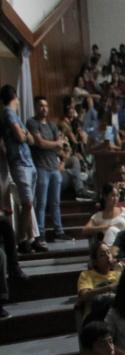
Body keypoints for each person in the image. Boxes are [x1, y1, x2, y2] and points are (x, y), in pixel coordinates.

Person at [2, 85, 45, 253]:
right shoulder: (8, 112)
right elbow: (22, 137)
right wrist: (25, 135)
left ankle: (30, 238)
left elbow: (31, 140)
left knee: (29, 204)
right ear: (15, 97)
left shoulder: (15, 115)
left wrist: (25, 135)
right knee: (27, 203)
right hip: (19, 162)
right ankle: (21, 240)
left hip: (27, 162)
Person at [28, 96, 69, 242]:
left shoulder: (52, 125)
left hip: (54, 167)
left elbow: (61, 145)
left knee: (55, 202)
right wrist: (55, 143)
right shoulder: (32, 122)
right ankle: (40, 233)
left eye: (46, 106)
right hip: (41, 167)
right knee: (41, 202)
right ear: (36, 107)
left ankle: (59, 231)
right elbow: (40, 143)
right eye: (41, 105)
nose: (44, 108)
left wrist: (60, 152)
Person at [77, 241, 122, 320]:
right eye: (102, 255)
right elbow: (84, 295)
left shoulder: (118, 272)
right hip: (95, 316)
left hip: (117, 316)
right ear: (95, 262)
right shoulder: (87, 275)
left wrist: (123, 272)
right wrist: (109, 288)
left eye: (108, 252)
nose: (108, 256)